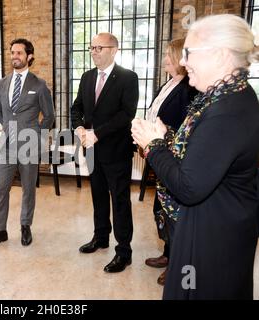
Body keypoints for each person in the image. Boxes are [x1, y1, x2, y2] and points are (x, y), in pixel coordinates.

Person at [131, 14, 259, 299]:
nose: (183, 62)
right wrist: (165, 137)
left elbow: (188, 186)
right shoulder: (228, 95)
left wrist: (153, 145)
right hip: (213, 224)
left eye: (189, 53)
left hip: (213, 237)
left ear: (220, 55)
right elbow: (202, 156)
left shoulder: (227, 110)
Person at [71, 32, 139, 273]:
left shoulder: (128, 78)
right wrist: (79, 127)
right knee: (98, 196)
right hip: (91, 150)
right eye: (91, 48)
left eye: (99, 48)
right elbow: (76, 107)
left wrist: (96, 133)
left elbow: (125, 114)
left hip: (116, 150)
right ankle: (100, 237)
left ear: (113, 50)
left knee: (119, 200)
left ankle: (124, 251)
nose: (94, 52)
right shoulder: (87, 77)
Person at [0, 38, 55, 249]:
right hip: (6, 144)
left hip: (29, 144)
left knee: (28, 189)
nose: (15, 56)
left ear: (29, 56)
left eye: (19, 53)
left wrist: (37, 136)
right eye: (12, 53)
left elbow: (49, 116)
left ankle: (25, 226)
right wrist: (8, 127)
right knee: (0, 188)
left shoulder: (39, 85)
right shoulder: (2, 84)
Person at [143, 38, 197, 286]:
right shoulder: (167, 84)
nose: (164, 59)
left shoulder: (189, 88)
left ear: (179, 59)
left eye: (168, 55)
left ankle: (177, 265)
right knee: (161, 209)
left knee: (174, 214)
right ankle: (167, 254)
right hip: (158, 151)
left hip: (173, 155)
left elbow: (186, 128)